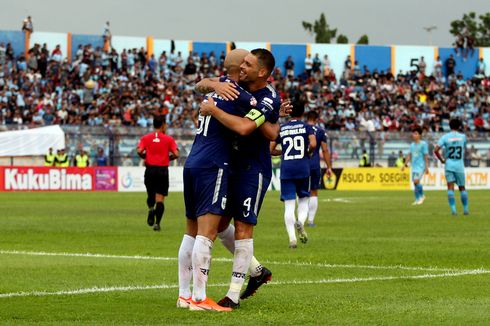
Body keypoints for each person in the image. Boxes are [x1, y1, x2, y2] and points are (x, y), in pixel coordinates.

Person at [178, 49, 278, 312]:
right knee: (217, 225)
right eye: (242, 63)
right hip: (223, 164)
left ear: (262, 72)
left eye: (249, 64)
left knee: (240, 227)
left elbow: (261, 130)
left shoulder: (266, 96)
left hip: (251, 168)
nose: (244, 67)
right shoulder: (229, 85)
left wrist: (212, 108)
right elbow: (201, 85)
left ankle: (231, 295)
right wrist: (212, 83)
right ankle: (254, 271)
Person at [270, 102, 316, 248]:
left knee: (289, 206)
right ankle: (301, 222)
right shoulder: (306, 127)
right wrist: (307, 152)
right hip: (303, 168)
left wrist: (282, 152)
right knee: (304, 200)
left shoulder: (282, 128)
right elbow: (313, 144)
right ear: (302, 113)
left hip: (287, 169)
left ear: (289, 113)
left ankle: (292, 239)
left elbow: (270, 149)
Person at [137, 115, 179, 231]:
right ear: (163, 125)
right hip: (162, 171)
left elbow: (139, 150)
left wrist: (145, 156)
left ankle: (151, 208)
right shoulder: (168, 139)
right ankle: (157, 224)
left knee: (151, 195)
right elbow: (176, 154)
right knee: (160, 198)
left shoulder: (146, 138)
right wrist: (167, 157)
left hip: (150, 170)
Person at [434, 119, 469, 216]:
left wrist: (441, 160)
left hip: (449, 164)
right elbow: (464, 147)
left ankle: (453, 210)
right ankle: (465, 209)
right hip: (459, 165)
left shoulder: (445, 137)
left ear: (449, 126)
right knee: (462, 188)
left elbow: (435, 150)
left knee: (450, 188)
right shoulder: (463, 137)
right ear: (459, 126)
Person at [305, 110, 332, 227]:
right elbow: (325, 150)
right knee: (314, 191)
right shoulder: (321, 131)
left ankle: (300, 218)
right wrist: (329, 167)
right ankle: (310, 221)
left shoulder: (301, 128)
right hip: (315, 164)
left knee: (301, 191)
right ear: (316, 120)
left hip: (301, 163)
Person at [402, 127, 429, 205]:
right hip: (414, 166)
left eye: (416, 133)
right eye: (413, 133)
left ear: (420, 135)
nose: (414, 135)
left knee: (416, 181)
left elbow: (426, 156)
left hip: (421, 166)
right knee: (415, 183)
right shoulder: (412, 145)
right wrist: (404, 165)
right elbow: (409, 155)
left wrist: (427, 167)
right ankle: (417, 199)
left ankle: (421, 196)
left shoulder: (423, 144)